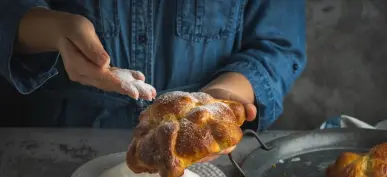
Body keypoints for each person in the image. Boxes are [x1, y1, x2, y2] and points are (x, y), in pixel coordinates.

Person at [0, 0, 305, 138]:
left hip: (200, 147)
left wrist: (221, 97)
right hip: (57, 143)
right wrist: (52, 28)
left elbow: (276, 44)